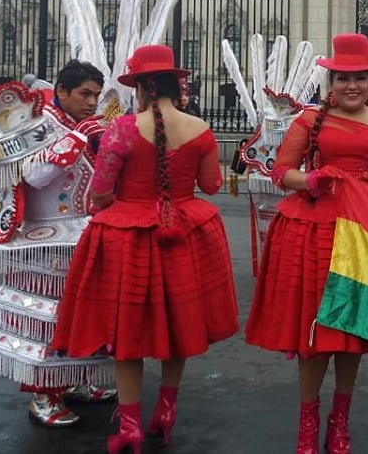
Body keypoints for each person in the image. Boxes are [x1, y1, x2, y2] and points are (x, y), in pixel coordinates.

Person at [50, 44, 238, 452]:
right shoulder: (202, 130)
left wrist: (123, 201)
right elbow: (210, 186)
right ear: (175, 85)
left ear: (140, 88)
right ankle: (166, 411)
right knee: (179, 326)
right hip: (185, 234)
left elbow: (100, 192)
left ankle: (131, 425)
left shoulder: (119, 130)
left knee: (127, 333)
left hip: (128, 238)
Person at [245, 33, 368, 454]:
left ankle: (340, 420)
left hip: (364, 235)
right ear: (331, 82)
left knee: (350, 331)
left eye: (359, 78)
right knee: (314, 332)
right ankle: (308, 420)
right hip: (314, 230)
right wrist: (314, 180)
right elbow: (280, 171)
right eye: (342, 78)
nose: (351, 86)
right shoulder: (308, 120)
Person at [0, 61, 117, 427]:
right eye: (85, 93)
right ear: (62, 91)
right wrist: (80, 136)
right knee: (45, 320)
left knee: (80, 316)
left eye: (96, 95)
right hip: (42, 241)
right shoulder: (37, 124)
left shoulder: (73, 124)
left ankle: (74, 382)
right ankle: (42, 395)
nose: (92, 101)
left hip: (78, 233)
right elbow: (34, 177)